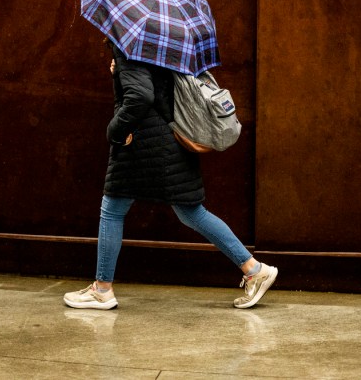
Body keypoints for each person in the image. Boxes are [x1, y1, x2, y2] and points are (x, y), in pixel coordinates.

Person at [64, 43, 277, 310]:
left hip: (140, 142)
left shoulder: (129, 43)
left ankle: (102, 290)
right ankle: (254, 270)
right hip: (171, 136)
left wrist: (115, 131)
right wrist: (118, 74)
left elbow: (140, 96)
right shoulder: (166, 42)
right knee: (190, 211)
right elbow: (156, 85)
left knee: (113, 209)